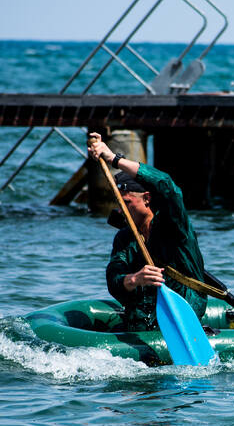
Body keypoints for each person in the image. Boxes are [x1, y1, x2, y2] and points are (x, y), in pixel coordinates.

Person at [87, 132, 207, 332]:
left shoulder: (173, 225)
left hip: (183, 313)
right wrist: (134, 279)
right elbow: (114, 278)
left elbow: (168, 187)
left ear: (147, 199)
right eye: (118, 204)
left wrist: (114, 159)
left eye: (126, 203)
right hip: (143, 319)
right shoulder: (125, 237)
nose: (120, 211)